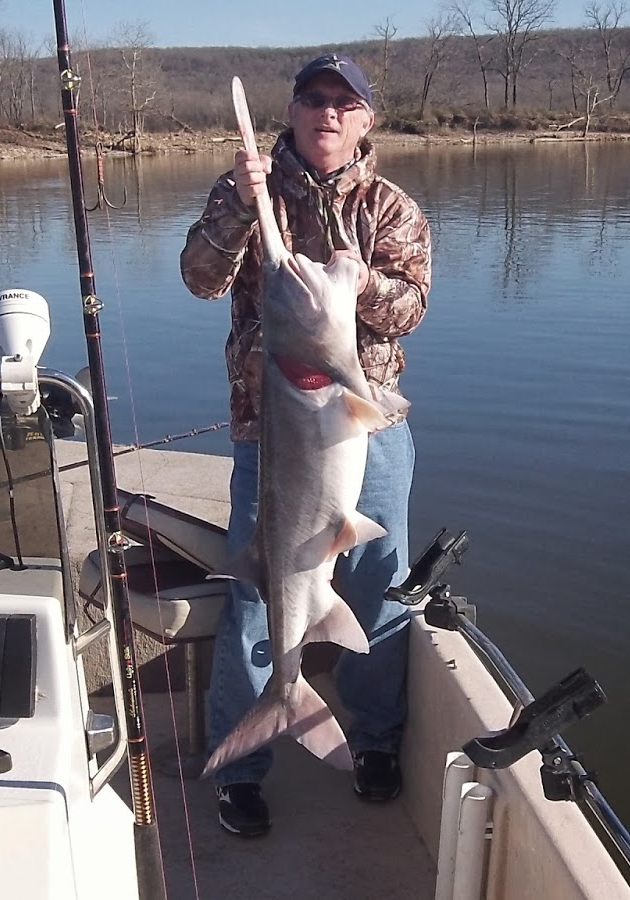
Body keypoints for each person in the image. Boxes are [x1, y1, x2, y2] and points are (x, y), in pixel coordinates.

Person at [179, 53, 432, 838]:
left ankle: (374, 740)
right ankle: (241, 765)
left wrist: (362, 286)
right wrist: (237, 207)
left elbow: (411, 309)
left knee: (380, 584)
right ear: (290, 111)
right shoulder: (246, 193)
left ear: (365, 120)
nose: (327, 112)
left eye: (343, 103)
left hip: (370, 428)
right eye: (314, 98)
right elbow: (199, 279)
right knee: (260, 592)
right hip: (274, 432)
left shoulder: (390, 207)